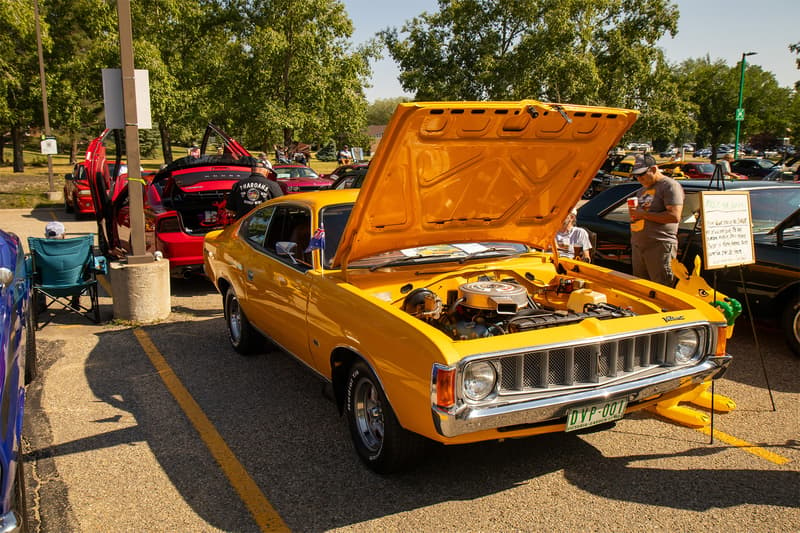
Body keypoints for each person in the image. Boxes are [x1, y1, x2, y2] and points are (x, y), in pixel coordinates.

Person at [628, 153, 684, 286]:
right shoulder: (642, 191)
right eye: (636, 176)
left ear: (653, 169)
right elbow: (641, 214)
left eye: (642, 174)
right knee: (641, 289)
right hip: (640, 245)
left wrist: (643, 215)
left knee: (661, 287)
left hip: (659, 245)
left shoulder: (669, 186)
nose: (639, 178)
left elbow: (674, 216)